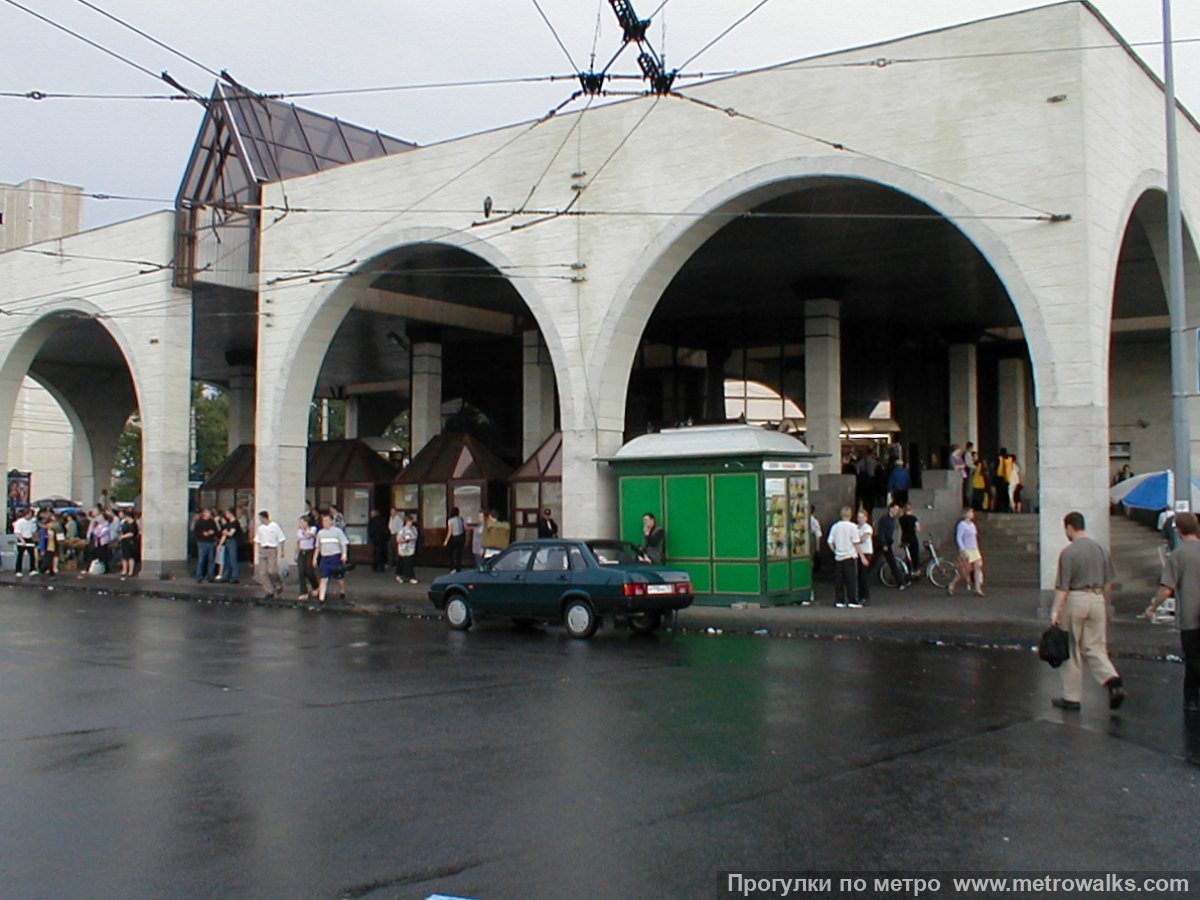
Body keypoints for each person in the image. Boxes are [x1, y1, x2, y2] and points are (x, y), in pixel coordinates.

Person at [1049, 511, 1125, 711]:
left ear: (1069, 528)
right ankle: (1112, 679)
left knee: (1071, 649)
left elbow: (1062, 588)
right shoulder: (1100, 550)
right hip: (1098, 599)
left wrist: (1055, 611)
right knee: (1096, 647)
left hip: (1076, 599)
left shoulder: (1069, 552)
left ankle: (1071, 697)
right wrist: (1105, 604)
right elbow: (1109, 583)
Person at [1146, 511, 1200, 712]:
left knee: (1193, 660)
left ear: (1178, 530)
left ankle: (1192, 700)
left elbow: (1166, 589)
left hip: (1190, 618)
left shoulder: (1178, 555)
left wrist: (1153, 607)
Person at [828, 506, 861, 608]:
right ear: (851, 515)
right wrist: (861, 555)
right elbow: (856, 542)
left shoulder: (835, 526)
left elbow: (830, 541)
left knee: (839, 580)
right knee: (851, 580)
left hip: (839, 556)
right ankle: (852, 600)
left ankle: (839, 601)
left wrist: (835, 551)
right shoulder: (853, 527)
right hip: (850, 556)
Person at [947, 507, 984, 596]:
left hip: (974, 548)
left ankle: (977, 588)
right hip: (966, 549)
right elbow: (959, 537)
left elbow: (974, 537)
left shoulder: (972, 525)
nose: (972, 514)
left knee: (978, 567)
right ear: (966, 514)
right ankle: (952, 585)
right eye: (971, 512)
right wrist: (962, 549)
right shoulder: (962, 524)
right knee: (965, 571)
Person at [315, 513, 349, 604]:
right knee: (323, 578)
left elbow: (343, 543)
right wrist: (315, 558)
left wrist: (344, 554)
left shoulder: (337, 531)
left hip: (335, 557)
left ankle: (342, 590)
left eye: (326, 520)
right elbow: (318, 547)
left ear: (331, 521)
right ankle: (321, 598)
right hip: (325, 558)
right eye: (323, 521)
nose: (324, 522)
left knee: (338, 578)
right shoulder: (320, 533)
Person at [253, 510, 287, 600]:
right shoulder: (260, 528)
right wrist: (258, 550)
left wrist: (282, 550)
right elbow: (257, 540)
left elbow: (281, 538)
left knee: (271, 570)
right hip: (263, 549)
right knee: (262, 573)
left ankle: (278, 584)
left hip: (272, 549)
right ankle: (270, 590)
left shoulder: (274, 526)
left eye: (260, 518)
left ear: (264, 518)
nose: (260, 520)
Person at [878, 502, 907, 590]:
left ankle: (901, 582)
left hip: (887, 543)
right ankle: (901, 582)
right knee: (891, 562)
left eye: (897, 510)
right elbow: (881, 532)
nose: (896, 511)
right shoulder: (884, 519)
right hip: (884, 544)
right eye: (895, 509)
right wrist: (883, 544)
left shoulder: (892, 519)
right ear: (890, 509)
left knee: (891, 562)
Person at [215, 509, 242, 583]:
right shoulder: (228, 524)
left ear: (231, 514)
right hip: (227, 542)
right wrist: (220, 544)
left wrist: (226, 532)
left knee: (233, 559)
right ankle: (225, 576)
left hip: (233, 541)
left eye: (227, 514)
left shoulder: (235, 523)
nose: (226, 516)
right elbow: (224, 534)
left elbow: (231, 533)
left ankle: (234, 577)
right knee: (226, 560)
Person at [295, 515, 319, 601]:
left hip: (310, 551)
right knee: (301, 572)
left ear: (306, 522)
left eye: (302, 522)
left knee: (309, 571)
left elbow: (310, 536)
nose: (300, 524)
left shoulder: (313, 529)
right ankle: (303, 592)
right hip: (302, 551)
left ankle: (315, 586)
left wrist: (305, 530)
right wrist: (296, 553)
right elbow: (298, 542)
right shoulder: (299, 531)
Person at [192, 508, 218, 583]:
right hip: (202, 542)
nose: (209, 514)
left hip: (211, 542)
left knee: (211, 559)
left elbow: (216, 531)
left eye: (209, 513)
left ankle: (211, 576)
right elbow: (196, 533)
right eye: (207, 513)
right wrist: (203, 534)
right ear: (204, 514)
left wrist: (213, 533)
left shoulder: (212, 522)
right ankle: (199, 576)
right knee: (201, 559)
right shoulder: (199, 522)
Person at [898, 503, 921, 582]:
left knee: (908, 555)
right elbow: (918, 529)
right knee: (915, 554)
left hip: (904, 538)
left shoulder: (901, 518)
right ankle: (916, 570)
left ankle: (909, 569)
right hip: (912, 538)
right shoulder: (913, 518)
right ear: (911, 510)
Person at [12, 507, 38, 576]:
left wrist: (34, 539)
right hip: (22, 538)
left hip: (29, 538)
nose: (31, 516)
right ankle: (18, 571)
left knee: (32, 555)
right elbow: (17, 532)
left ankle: (32, 569)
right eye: (30, 514)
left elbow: (33, 531)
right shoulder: (20, 521)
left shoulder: (32, 521)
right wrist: (22, 541)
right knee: (20, 555)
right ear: (26, 514)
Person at [855, 509, 873, 606]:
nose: (860, 519)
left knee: (863, 574)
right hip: (857, 552)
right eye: (859, 517)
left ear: (866, 518)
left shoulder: (867, 528)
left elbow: (862, 539)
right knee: (858, 575)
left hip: (866, 552)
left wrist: (854, 540)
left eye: (862, 517)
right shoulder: (855, 527)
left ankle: (865, 596)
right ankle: (859, 595)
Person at [395, 514, 419, 584]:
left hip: (411, 548)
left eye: (411, 521)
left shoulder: (414, 528)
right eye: (409, 521)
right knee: (403, 563)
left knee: (409, 563)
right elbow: (398, 540)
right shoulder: (402, 530)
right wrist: (405, 541)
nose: (410, 523)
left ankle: (408, 576)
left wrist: (412, 539)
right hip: (403, 549)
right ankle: (404, 576)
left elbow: (416, 536)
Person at [443, 506, 466, 571]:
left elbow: (450, 532)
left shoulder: (450, 520)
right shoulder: (461, 519)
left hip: (454, 538)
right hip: (461, 538)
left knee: (452, 554)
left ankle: (453, 568)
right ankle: (459, 567)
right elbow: (465, 527)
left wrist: (446, 541)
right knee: (459, 553)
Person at [367, 508, 390, 573]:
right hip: (382, 539)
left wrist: (371, 537)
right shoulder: (382, 520)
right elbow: (386, 529)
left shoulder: (371, 521)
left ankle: (375, 566)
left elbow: (370, 530)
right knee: (381, 552)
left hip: (375, 539)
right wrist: (387, 537)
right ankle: (381, 566)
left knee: (375, 552)